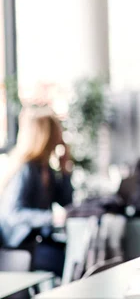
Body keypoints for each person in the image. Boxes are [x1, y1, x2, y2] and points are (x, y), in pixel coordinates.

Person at [0, 106, 73, 276]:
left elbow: (67, 202)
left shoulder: (45, 168)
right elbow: (13, 214)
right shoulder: (25, 170)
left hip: (37, 241)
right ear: (45, 136)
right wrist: (50, 217)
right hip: (17, 247)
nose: (60, 138)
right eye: (57, 132)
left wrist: (65, 170)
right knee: (59, 260)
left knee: (68, 256)